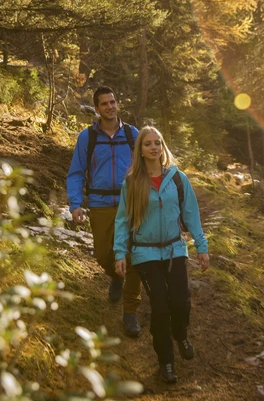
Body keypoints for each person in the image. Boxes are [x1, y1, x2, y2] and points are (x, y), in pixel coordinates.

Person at [113, 126, 210, 384]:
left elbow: (191, 214)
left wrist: (201, 246)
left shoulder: (177, 178)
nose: (153, 147)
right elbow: (123, 220)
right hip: (145, 254)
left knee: (180, 302)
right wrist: (120, 252)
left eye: (157, 143)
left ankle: (181, 333)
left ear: (162, 147)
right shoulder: (132, 181)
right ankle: (166, 361)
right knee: (160, 307)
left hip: (174, 249)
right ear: (140, 150)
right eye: (148, 144)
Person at [67, 86, 143, 337]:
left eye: (113, 102)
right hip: (100, 205)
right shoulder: (87, 137)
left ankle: (130, 310)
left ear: (117, 103)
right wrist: (76, 204)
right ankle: (116, 276)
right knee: (103, 254)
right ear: (97, 108)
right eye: (104, 104)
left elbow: (148, 169)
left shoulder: (133, 134)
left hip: (130, 204)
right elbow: (77, 172)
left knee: (134, 258)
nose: (110, 107)